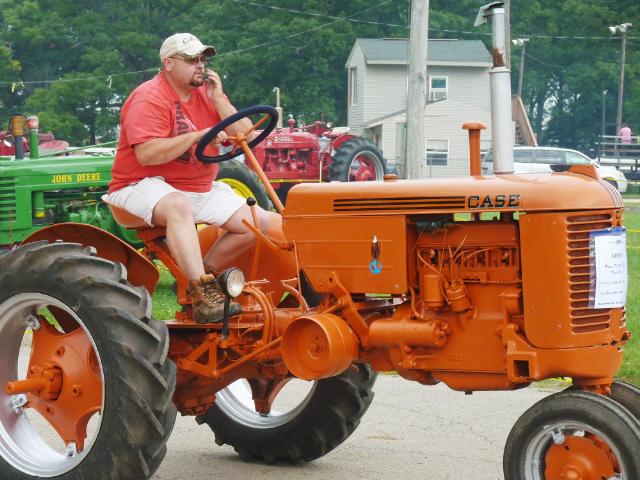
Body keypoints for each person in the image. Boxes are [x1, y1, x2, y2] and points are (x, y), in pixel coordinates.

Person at [103, 33, 272, 324]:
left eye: (203, 60)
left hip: (198, 188)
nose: (201, 66)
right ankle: (204, 296)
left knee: (260, 223)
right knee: (178, 205)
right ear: (168, 63)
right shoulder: (149, 97)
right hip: (139, 186)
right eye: (192, 60)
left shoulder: (207, 96)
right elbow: (146, 154)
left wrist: (219, 101)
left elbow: (247, 136)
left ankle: (201, 277)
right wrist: (195, 137)